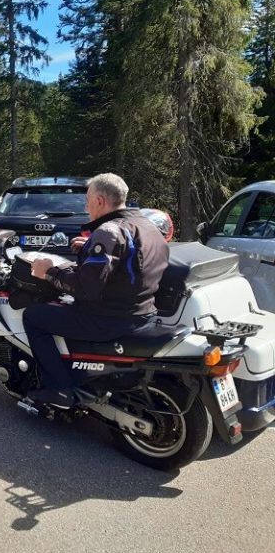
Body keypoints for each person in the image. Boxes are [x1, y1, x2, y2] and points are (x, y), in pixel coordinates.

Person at [24, 173, 170, 408]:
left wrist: (48, 272)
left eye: (87, 200)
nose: (86, 206)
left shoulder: (108, 231)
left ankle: (59, 390)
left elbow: (86, 288)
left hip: (108, 318)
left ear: (100, 201)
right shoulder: (147, 225)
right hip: (143, 312)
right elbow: (129, 262)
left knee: (33, 316)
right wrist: (90, 248)